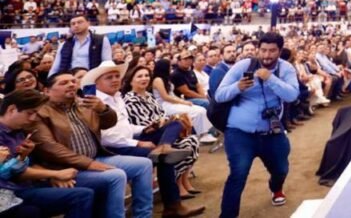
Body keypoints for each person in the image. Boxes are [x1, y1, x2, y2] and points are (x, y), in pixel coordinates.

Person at [87, 62, 203, 217]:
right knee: (163, 157)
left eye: (117, 76)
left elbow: (126, 127)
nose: (115, 80)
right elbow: (108, 138)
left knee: (176, 123)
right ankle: (169, 207)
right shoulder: (95, 102)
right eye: (109, 77)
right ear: (97, 82)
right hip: (112, 148)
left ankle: (164, 146)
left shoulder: (116, 97)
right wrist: (138, 142)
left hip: (128, 139)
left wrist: (145, 128)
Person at [32, 71, 154, 218]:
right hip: (65, 167)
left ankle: (143, 215)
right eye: (64, 83)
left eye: (73, 81)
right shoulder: (41, 112)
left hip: (95, 157)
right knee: (116, 176)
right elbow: (50, 147)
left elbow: (109, 123)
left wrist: (103, 109)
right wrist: (89, 164)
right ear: (47, 90)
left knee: (144, 164)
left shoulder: (82, 103)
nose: (71, 85)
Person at [214, 32, 299, 218]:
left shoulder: (286, 69)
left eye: (272, 51)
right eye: (263, 50)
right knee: (238, 174)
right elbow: (219, 95)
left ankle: (276, 188)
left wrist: (271, 78)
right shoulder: (243, 65)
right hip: (239, 132)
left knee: (281, 169)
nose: (267, 55)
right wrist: (238, 87)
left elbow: (292, 95)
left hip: (272, 131)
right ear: (258, 49)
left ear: (279, 51)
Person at [0, 89, 94, 218]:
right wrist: (55, 174)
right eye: (29, 113)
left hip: (28, 184)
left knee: (93, 186)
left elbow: (28, 164)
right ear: (11, 109)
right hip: (11, 191)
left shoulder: (19, 131)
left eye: (35, 113)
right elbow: (10, 172)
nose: (33, 118)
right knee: (81, 196)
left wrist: (49, 175)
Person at [121, 66, 201, 199]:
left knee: (191, 137)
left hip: (162, 132)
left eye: (146, 75)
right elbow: (143, 124)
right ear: (131, 81)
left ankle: (182, 180)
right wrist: (164, 121)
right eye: (140, 76)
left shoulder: (149, 96)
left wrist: (165, 120)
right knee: (181, 132)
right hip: (146, 136)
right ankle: (177, 182)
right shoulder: (129, 99)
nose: (144, 78)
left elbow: (162, 114)